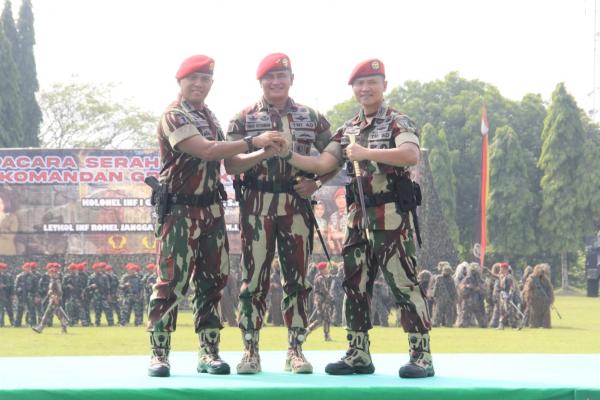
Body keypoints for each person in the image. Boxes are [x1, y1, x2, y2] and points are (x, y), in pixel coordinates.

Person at [281, 59, 434, 378]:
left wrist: (367, 154)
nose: (365, 89)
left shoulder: (397, 122)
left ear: (384, 86)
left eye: (372, 82)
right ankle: (358, 352)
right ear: (353, 89)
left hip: (391, 216)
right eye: (359, 84)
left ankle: (421, 355)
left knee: (403, 284)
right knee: (354, 285)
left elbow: (410, 155)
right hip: (357, 220)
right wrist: (286, 155)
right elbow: (325, 162)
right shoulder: (348, 129)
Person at [146, 54, 284, 378]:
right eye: (192, 78)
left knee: (213, 282)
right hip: (179, 211)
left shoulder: (210, 117)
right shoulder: (174, 115)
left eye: (205, 79)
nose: (199, 84)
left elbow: (231, 164)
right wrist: (254, 139)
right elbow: (206, 150)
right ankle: (159, 353)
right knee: (171, 282)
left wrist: (264, 152)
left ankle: (209, 351)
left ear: (211, 84)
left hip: (211, 210)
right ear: (179, 81)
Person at [225, 53, 333, 374]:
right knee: (253, 281)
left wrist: (317, 182)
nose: (276, 82)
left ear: (291, 79)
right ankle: (250, 350)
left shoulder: (311, 117)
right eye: (269, 77)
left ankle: (296, 349)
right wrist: (260, 151)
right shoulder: (243, 118)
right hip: (257, 207)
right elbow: (230, 164)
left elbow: (335, 156)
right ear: (261, 82)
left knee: (297, 280)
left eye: (281, 76)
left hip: (295, 207)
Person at [32, 263, 69, 334]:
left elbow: (60, 292)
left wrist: (54, 296)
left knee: (47, 314)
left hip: (54, 300)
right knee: (59, 315)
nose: (50, 274)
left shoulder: (55, 281)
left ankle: (40, 328)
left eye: (52, 272)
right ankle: (64, 328)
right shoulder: (54, 280)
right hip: (54, 299)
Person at [307, 261, 333, 341]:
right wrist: (329, 296)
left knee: (326, 318)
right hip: (321, 300)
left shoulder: (321, 277)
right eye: (326, 268)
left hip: (322, 300)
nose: (328, 269)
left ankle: (327, 336)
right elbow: (323, 289)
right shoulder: (320, 278)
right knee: (321, 319)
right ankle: (306, 331)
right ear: (322, 269)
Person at [522, 263, 554, 328]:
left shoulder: (545, 280)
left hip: (544, 301)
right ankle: (531, 324)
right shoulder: (531, 279)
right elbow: (527, 290)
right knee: (534, 316)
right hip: (534, 301)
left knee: (545, 317)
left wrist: (550, 299)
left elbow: (549, 290)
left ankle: (545, 325)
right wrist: (528, 299)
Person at [327, 188, 347, 255]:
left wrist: (341, 235)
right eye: (338, 198)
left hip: (348, 249)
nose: (340, 200)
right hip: (336, 252)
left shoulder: (351, 213)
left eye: (343, 198)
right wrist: (329, 241)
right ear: (335, 201)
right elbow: (329, 232)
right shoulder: (332, 216)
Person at [0, 262, 15, 326]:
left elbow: (12, 285)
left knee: (10, 309)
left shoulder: (9, 276)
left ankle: (12, 322)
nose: (3, 269)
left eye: (4, 268)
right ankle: (1, 323)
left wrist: (12, 294)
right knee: (1, 310)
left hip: (8, 295)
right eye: (2, 268)